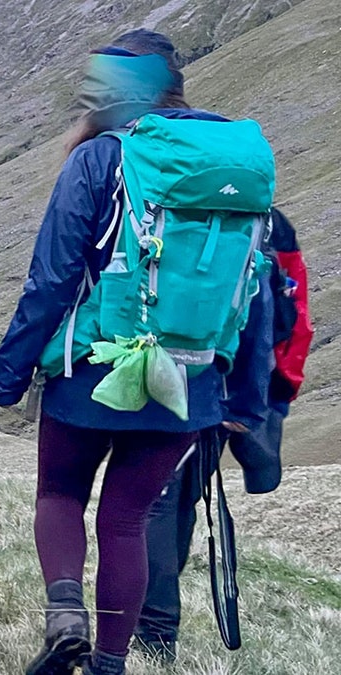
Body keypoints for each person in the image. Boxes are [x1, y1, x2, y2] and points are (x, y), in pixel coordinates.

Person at [0, 31, 275, 675]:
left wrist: (11, 371)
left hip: (92, 369)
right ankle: (110, 664)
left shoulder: (100, 158)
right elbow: (256, 290)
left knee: (60, 495)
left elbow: (52, 277)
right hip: (190, 382)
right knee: (126, 521)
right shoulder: (239, 165)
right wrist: (244, 397)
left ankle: (66, 617)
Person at [135, 207, 311, 662]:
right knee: (181, 500)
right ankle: (154, 628)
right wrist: (267, 396)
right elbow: (294, 318)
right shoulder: (270, 220)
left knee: (155, 501)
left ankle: (154, 635)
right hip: (230, 386)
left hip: (162, 375)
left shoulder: (161, 204)